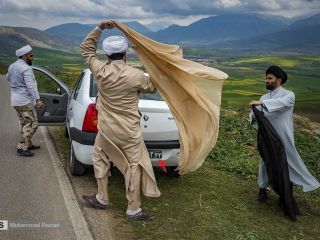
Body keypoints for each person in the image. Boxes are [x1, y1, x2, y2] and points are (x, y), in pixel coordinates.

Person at [80, 20, 160, 221]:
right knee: (134, 166)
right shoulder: (136, 76)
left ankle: (102, 197)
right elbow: (153, 87)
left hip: (106, 130)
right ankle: (133, 209)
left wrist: (99, 27)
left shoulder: (100, 70)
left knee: (99, 158)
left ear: (107, 55)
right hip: (130, 131)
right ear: (125, 54)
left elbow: (87, 49)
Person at [249, 65, 320, 203]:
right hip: (268, 137)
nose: (266, 80)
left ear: (279, 80)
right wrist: (252, 115)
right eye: (266, 78)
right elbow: (255, 112)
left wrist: (262, 103)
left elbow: (279, 103)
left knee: (286, 164)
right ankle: (262, 190)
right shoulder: (264, 96)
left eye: (270, 78)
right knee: (264, 162)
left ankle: (286, 195)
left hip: (283, 137)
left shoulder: (289, 95)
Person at [6, 45, 44, 157]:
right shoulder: (26, 68)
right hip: (24, 101)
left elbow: (8, 78)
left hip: (15, 100)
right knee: (33, 124)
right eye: (31, 56)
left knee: (24, 123)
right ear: (24, 56)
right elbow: (31, 86)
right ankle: (22, 147)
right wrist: (38, 99)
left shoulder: (12, 66)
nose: (33, 58)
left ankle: (29, 143)